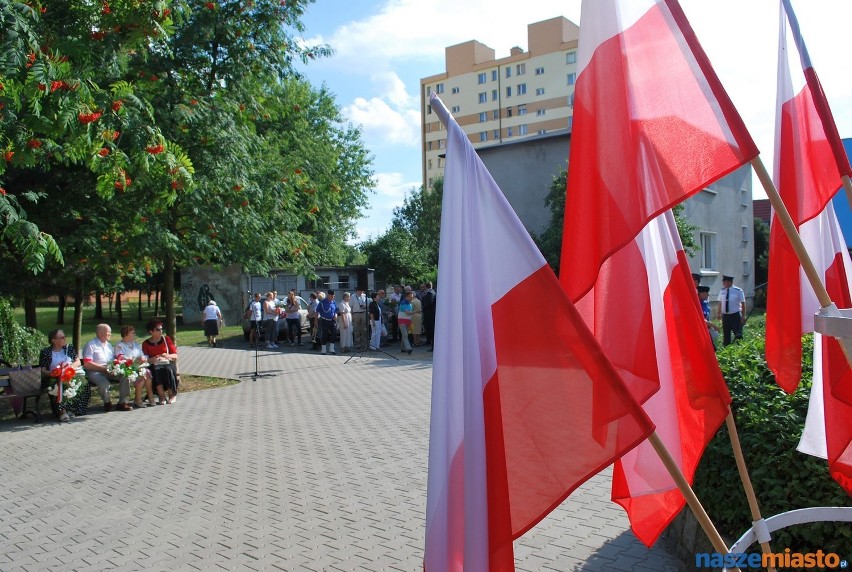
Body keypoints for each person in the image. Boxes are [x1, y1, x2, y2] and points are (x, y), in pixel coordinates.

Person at [39, 329, 90, 420]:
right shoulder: (46, 352)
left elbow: (77, 361)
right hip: (54, 377)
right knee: (59, 384)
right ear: (54, 340)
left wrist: (69, 368)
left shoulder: (69, 348)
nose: (65, 339)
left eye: (64, 336)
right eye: (62, 337)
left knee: (82, 383)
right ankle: (62, 412)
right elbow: (43, 370)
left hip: (70, 373)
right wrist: (52, 373)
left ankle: (72, 409)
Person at [82, 323, 132, 411]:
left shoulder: (108, 345)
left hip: (110, 369)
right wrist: (104, 369)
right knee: (104, 383)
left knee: (125, 375)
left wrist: (119, 365)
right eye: (108, 332)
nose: (110, 334)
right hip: (95, 371)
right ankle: (107, 402)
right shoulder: (91, 345)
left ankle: (122, 402)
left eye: (110, 332)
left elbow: (114, 359)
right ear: (100, 333)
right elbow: (87, 364)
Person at [114, 325, 155, 409]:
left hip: (139, 366)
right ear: (126, 334)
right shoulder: (119, 345)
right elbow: (120, 358)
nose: (134, 334)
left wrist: (143, 358)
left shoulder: (135, 344)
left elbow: (142, 355)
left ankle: (150, 397)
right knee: (142, 375)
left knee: (147, 373)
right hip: (127, 368)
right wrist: (135, 360)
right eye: (132, 333)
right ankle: (138, 400)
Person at [142, 319, 179, 405]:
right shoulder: (146, 343)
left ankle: (171, 394)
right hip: (154, 364)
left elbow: (175, 355)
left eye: (161, 329)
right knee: (155, 370)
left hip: (167, 362)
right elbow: (145, 359)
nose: (161, 331)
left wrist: (167, 356)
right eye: (158, 329)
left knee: (168, 369)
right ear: (151, 331)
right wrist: (152, 359)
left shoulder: (166, 339)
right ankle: (161, 396)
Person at [716, 275, 746, 345]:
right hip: (725, 316)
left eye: (725, 282)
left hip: (735, 315)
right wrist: (719, 313)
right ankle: (727, 349)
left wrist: (743, 315)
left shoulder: (738, 291)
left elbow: (743, 303)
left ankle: (741, 348)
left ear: (730, 282)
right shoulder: (722, 291)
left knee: (738, 334)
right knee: (726, 334)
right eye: (723, 282)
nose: (724, 284)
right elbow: (720, 302)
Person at [317, 290, 338, 355]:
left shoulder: (334, 302)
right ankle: (323, 349)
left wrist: (336, 315)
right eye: (331, 296)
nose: (333, 297)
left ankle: (331, 348)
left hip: (332, 320)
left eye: (333, 296)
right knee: (324, 335)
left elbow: (336, 310)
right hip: (324, 320)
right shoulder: (322, 302)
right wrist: (315, 320)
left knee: (334, 334)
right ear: (328, 295)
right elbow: (317, 311)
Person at [421, 281, 436, 350]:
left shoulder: (430, 293)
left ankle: (433, 347)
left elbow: (430, 303)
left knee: (431, 330)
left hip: (430, 314)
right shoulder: (433, 292)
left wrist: (423, 308)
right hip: (431, 314)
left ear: (426, 287)